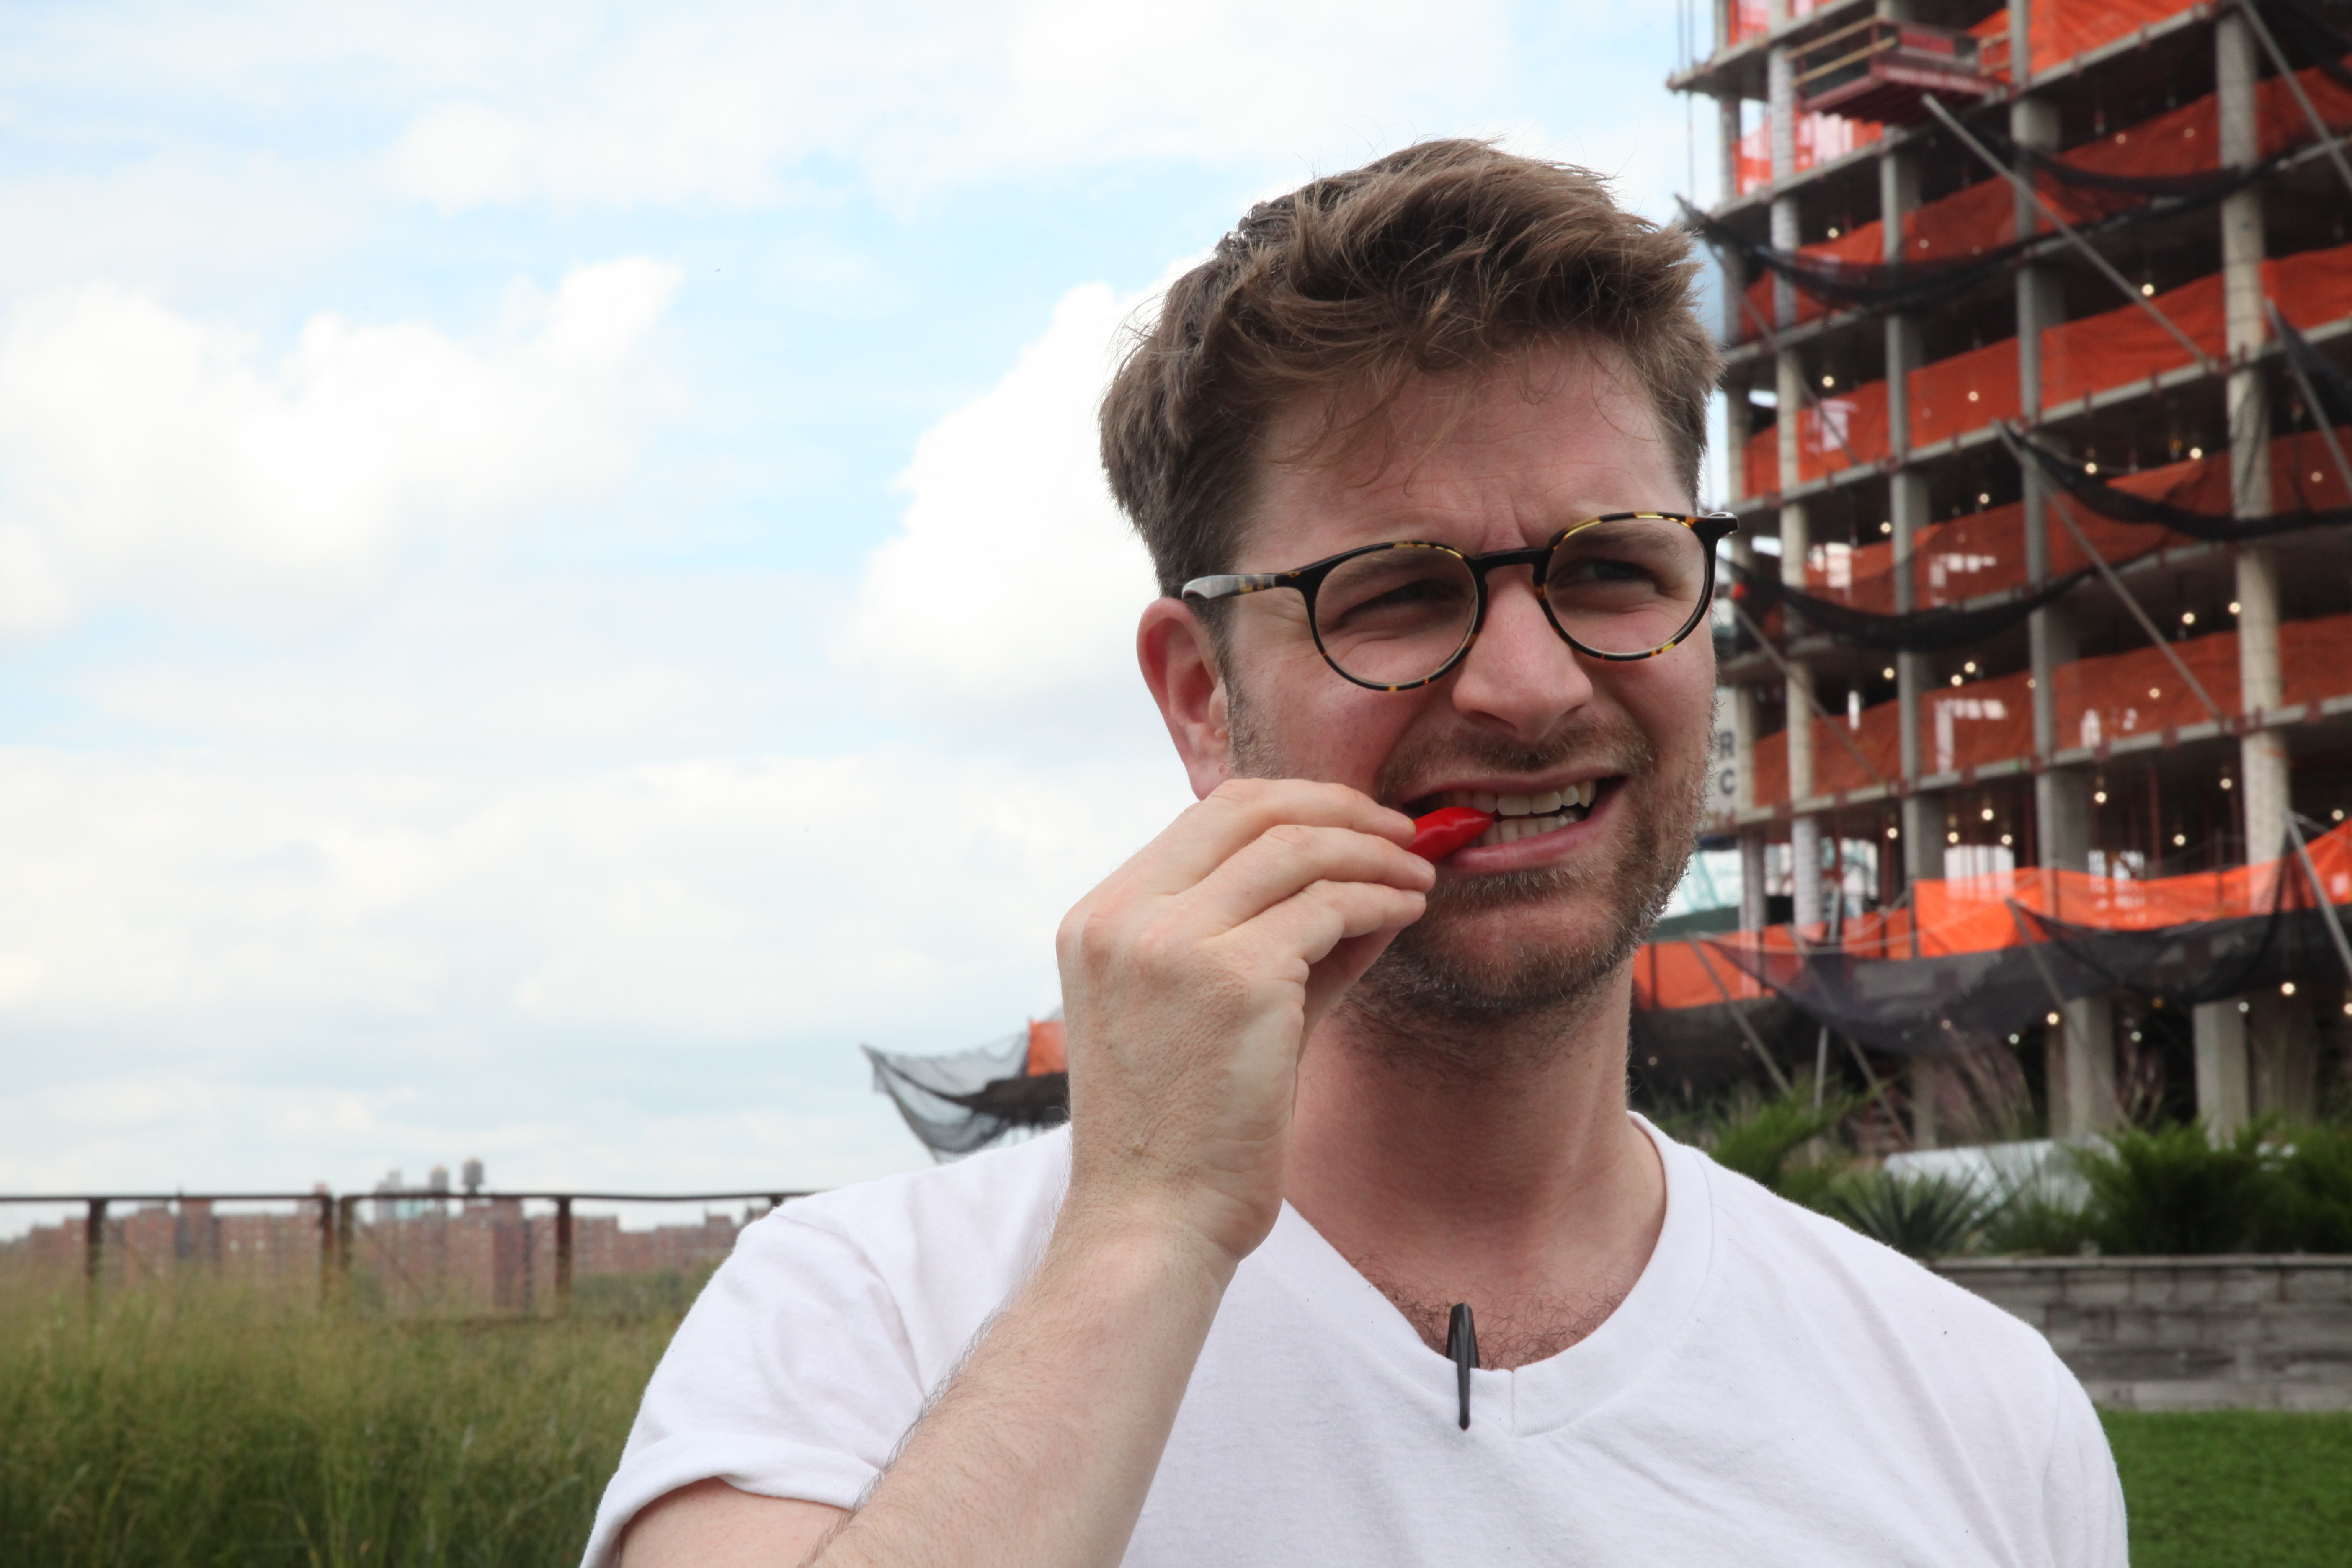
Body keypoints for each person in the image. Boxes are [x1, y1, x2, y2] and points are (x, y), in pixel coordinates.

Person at [588, 141, 2126, 1568]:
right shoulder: (858, 1314)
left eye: (1612, 569)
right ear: (1204, 698)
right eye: (1393, 594)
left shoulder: (1986, 1419)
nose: (1527, 687)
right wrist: (1146, 1231)